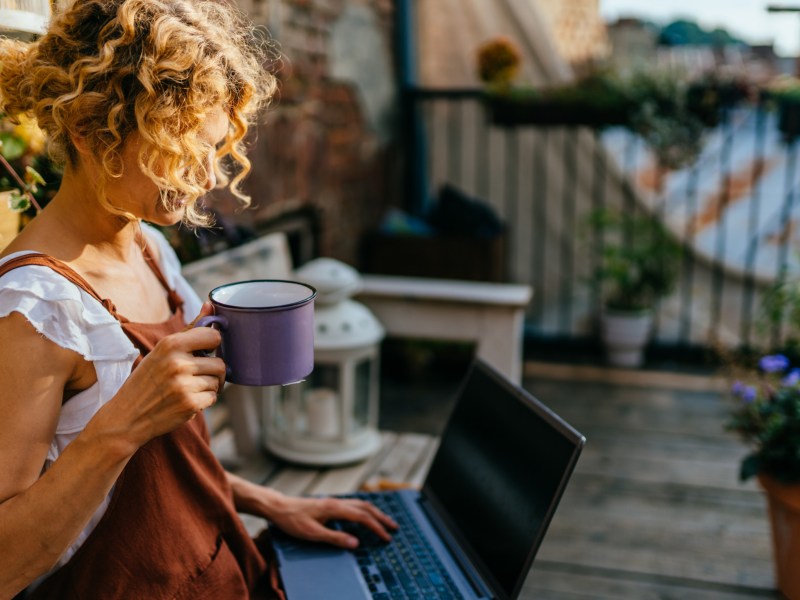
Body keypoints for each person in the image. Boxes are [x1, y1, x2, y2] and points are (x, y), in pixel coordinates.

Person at [0, 1, 396, 598]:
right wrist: (122, 425)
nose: (212, 177)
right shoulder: (32, 311)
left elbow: (164, 462)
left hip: (224, 564)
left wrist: (270, 502)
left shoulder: (150, 249)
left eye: (217, 149)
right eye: (188, 147)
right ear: (90, 131)